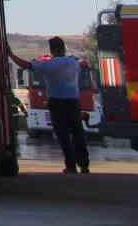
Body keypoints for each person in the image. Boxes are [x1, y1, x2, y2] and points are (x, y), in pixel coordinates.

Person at [12, 36, 90, 174]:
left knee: (63, 135)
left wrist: (10, 54)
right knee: (78, 133)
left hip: (57, 103)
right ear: (63, 48)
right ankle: (84, 165)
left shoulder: (49, 65)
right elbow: (84, 64)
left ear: (52, 49)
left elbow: (26, 65)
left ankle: (71, 166)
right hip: (73, 101)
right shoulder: (73, 62)